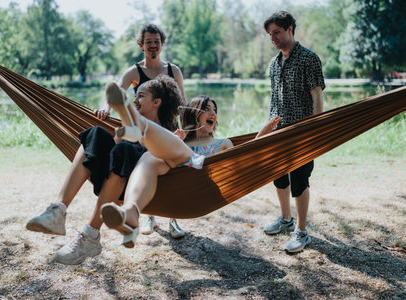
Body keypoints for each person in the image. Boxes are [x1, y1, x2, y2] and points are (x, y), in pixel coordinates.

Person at [99, 82, 281, 248]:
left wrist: (262, 135)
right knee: (149, 157)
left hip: (203, 188)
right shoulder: (182, 140)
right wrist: (175, 141)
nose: (213, 113)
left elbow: (245, 160)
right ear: (194, 114)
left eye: (214, 110)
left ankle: (134, 122)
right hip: (174, 185)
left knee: (165, 152)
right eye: (206, 109)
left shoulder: (223, 144)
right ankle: (131, 212)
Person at [26, 75, 183, 264]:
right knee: (95, 133)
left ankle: (90, 236)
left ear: (157, 102)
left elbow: (170, 161)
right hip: (112, 177)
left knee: (125, 150)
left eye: (141, 96)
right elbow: (113, 150)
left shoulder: (167, 133)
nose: (135, 100)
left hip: (135, 187)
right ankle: (57, 210)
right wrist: (116, 130)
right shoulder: (129, 125)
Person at [96, 24, 187, 238]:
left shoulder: (174, 71)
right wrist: (105, 108)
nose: (153, 45)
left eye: (156, 41)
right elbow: (115, 93)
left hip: (169, 132)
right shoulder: (134, 72)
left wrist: (188, 131)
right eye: (148, 42)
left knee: (175, 176)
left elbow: (182, 103)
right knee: (147, 170)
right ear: (141, 45)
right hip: (144, 133)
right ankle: (149, 216)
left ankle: (174, 220)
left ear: (161, 44)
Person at [262, 11, 325, 253]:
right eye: (270, 34)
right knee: (278, 176)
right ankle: (285, 219)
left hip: (302, 132)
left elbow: (317, 95)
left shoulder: (309, 58)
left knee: (300, 179)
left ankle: (301, 231)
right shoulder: (273, 63)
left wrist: (316, 129)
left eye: (276, 32)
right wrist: (268, 127)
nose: (273, 38)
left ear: (290, 29)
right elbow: (274, 99)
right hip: (277, 131)